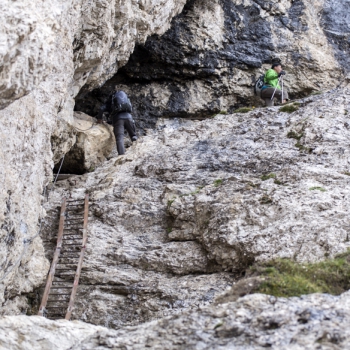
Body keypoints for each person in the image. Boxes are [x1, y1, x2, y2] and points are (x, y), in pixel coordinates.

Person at [97, 91, 137, 155]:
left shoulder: (110, 102)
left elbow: (101, 109)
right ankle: (138, 150)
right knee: (133, 136)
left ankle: (122, 156)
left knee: (120, 138)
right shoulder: (125, 101)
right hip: (129, 118)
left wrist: (100, 119)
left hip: (118, 119)